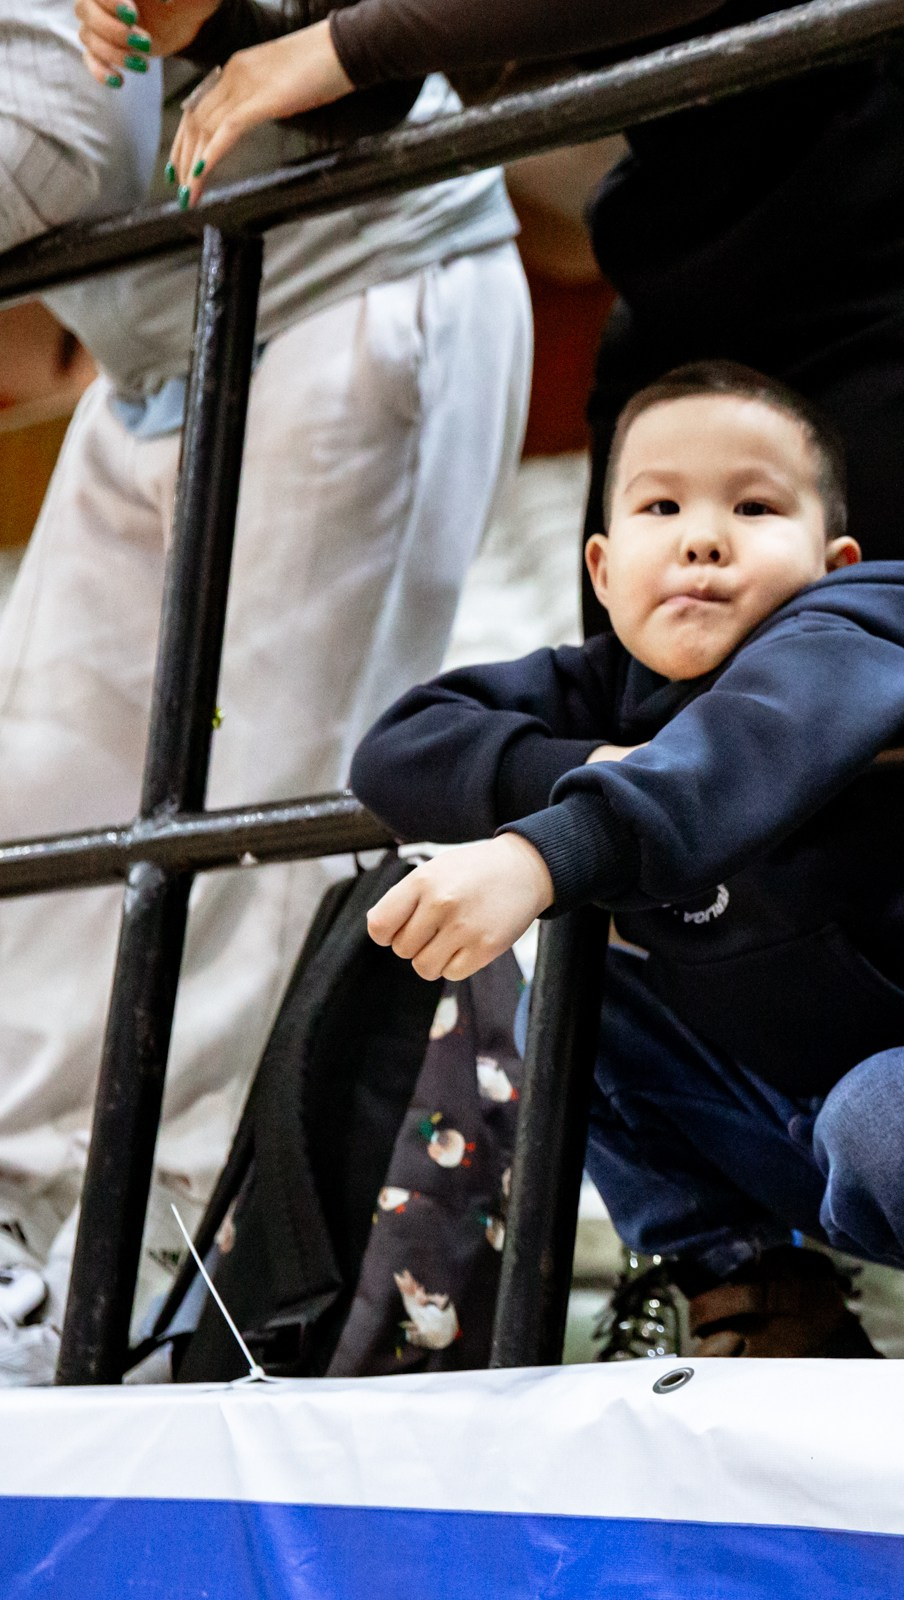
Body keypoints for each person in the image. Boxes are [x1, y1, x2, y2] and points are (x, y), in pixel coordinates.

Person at [349, 362, 904, 1356]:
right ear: (604, 569)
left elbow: (738, 749)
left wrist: (544, 849)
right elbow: (396, 748)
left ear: (836, 559)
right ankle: (757, 1291)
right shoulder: (606, 689)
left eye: (753, 504)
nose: (703, 535)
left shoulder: (859, 628)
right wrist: (603, 766)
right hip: (810, 1135)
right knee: (574, 1002)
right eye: (662, 505)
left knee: (890, 1124)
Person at [0, 0, 528, 1384]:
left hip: (363, 266)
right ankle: (20, 1234)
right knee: (41, 792)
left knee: (255, 819)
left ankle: (157, 1273)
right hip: (158, 333)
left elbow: (45, 138)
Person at [82, 0, 904, 585]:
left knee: (887, 733)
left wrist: (335, 44)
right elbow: (389, 79)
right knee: (640, 723)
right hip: (683, 285)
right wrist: (214, 26)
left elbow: (364, 46)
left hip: (881, 275)